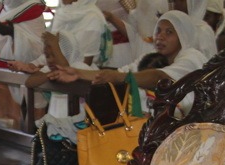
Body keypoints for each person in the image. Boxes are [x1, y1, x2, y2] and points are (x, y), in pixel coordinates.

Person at [48, 10, 206, 116]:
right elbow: (122, 73)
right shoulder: (151, 56)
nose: (160, 37)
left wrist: (118, 77)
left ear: (184, 35)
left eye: (169, 32)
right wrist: (79, 73)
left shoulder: (192, 57)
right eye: (158, 30)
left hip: (189, 125)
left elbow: (159, 77)